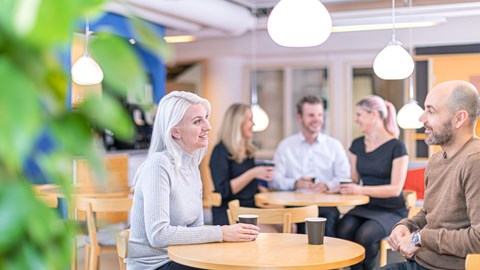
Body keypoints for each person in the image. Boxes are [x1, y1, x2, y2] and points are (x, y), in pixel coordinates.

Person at [126, 92, 260, 270]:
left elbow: (196, 228)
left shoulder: (191, 166)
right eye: (198, 121)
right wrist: (221, 232)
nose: (208, 127)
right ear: (175, 131)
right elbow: (158, 235)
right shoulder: (159, 164)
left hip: (181, 259)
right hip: (155, 265)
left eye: (206, 118)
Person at [382, 80, 480, 270]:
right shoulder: (436, 159)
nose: (421, 118)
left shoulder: (475, 161)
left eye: (431, 111)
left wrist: (420, 238)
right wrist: (406, 227)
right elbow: (428, 213)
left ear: (459, 119)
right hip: (419, 263)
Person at [336, 95, 409, 270]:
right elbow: (353, 180)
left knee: (365, 235)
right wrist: (334, 187)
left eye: (359, 114)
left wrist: (359, 190)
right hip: (366, 206)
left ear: (374, 115)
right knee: (343, 229)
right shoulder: (357, 145)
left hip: (390, 209)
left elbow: (395, 189)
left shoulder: (397, 147)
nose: (356, 119)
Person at [271, 95, 350, 237]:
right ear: (300, 117)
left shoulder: (334, 146)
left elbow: (345, 177)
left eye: (320, 114)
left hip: (326, 206)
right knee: (296, 240)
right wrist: (295, 183)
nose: (317, 119)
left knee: (329, 230)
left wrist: (327, 185)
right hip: (295, 206)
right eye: (311, 115)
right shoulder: (286, 146)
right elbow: (275, 180)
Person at [210, 103, 274, 225]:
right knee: (278, 231)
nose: (253, 124)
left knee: (290, 226)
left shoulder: (248, 150)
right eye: (250, 119)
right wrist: (253, 173)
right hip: (231, 212)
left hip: (251, 208)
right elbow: (223, 191)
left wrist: (262, 189)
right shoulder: (220, 151)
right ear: (237, 123)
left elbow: (249, 187)